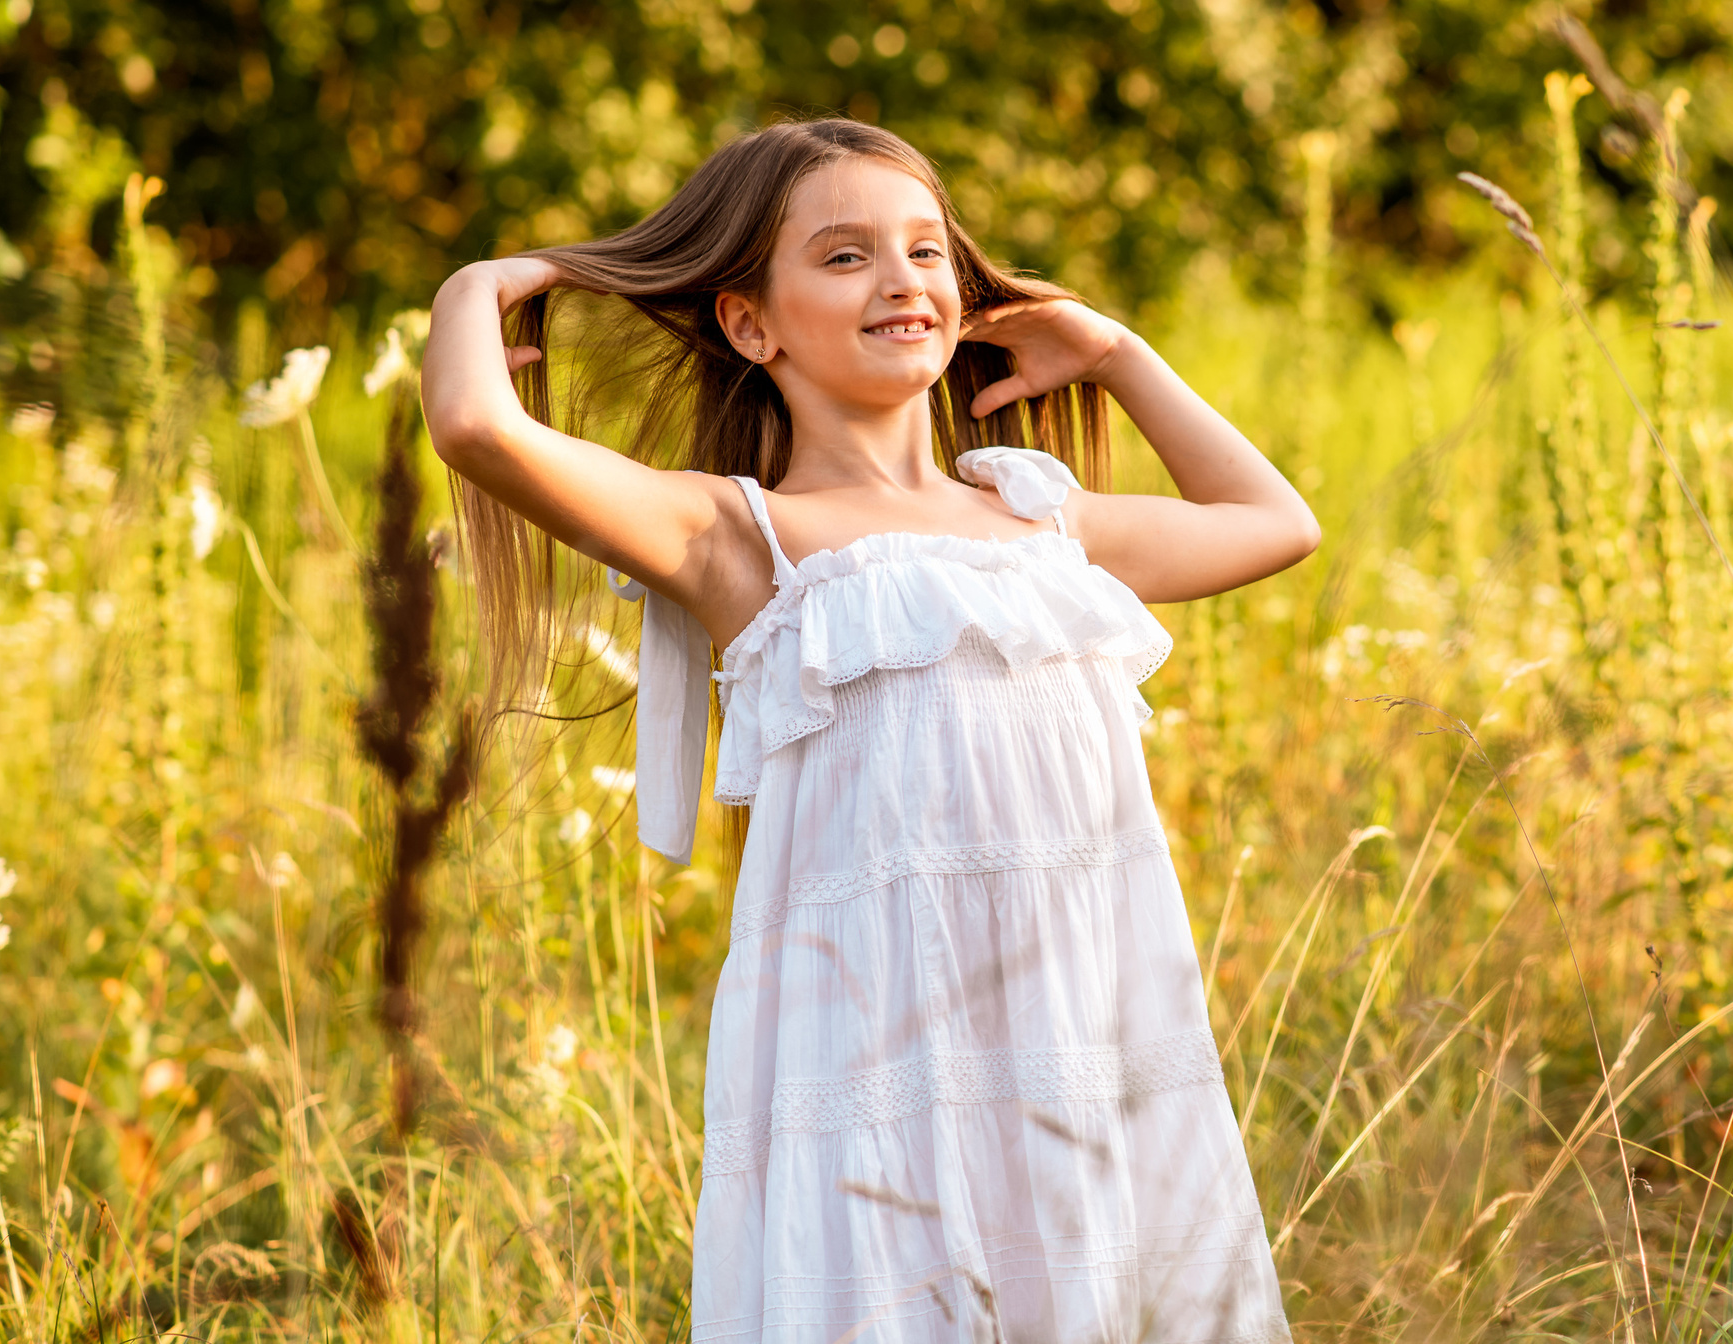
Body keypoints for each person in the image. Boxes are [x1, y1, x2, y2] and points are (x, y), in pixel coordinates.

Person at [421, 118, 1315, 1342]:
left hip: (1080, 1033)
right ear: (751, 323)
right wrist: (479, 287)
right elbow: (478, 428)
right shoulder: (739, 536)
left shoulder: (1042, 520)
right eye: (845, 259)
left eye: (927, 252)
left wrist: (1114, 351)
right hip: (880, 1056)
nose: (904, 279)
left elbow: (1274, 521)